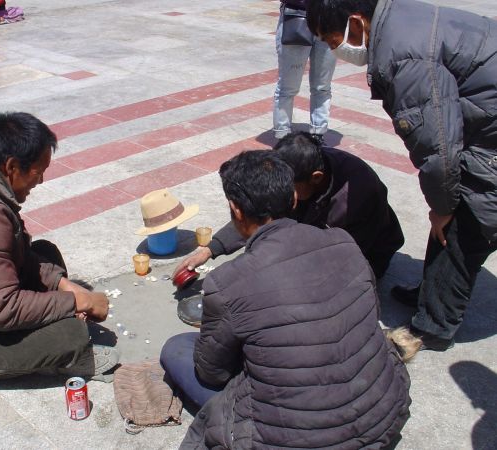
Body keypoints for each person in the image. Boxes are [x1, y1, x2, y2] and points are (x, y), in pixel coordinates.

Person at [161, 150, 417, 449]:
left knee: (177, 348)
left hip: (298, 439)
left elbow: (212, 373)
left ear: (235, 210)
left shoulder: (227, 282)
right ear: (294, 199)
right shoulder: (344, 242)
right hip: (380, 419)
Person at [306, 0, 497, 351]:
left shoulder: (402, 55)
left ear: (356, 23)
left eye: (332, 40)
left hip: (490, 137)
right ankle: (435, 295)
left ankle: (432, 327)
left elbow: (437, 149)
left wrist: (442, 206)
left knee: (463, 221)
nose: (334, 50)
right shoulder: (398, 19)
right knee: (449, 208)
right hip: (486, 119)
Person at [0, 112, 119, 390]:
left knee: (45, 255)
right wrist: (80, 303)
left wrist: (65, 286)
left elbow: (13, 253)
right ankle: (62, 358)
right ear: (12, 166)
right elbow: (4, 309)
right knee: (70, 335)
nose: (39, 182)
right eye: (38, 173)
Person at [174, 132, 404, 279]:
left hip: (363, 255)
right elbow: (258, 212)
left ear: (315, 177)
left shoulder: (355, 194)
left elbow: (341, 258)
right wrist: (210, 249)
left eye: (291, 188)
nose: (285, 194)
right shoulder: (296, 173)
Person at [273, 0, 337, 143]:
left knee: (322, 86)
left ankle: (318, 133)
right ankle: (283, 136)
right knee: (288, 87)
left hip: (328, 18)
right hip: (296, 16)